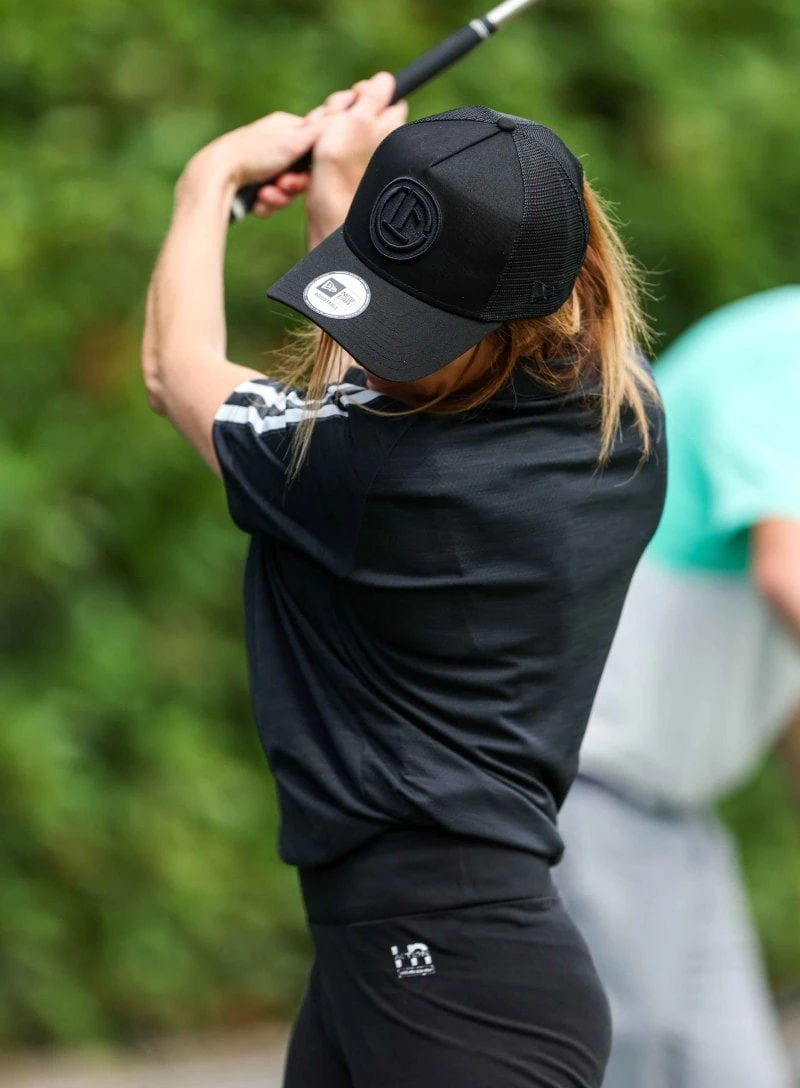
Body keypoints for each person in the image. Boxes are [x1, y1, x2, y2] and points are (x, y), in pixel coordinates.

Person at [141, 71, 666, 1088]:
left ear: (499, 324)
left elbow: (176, 367)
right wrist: (348, 188)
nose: (377, 355)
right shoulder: (625, 422)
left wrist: (208, 181)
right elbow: (371, 395)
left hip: (451, 989)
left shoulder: (371, 479)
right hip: (423, 966)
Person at [554, 287, 800, 1088]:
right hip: (593, 797)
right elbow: (786, 578)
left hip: (682, 826)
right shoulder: (781, 352)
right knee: (621, 1064)